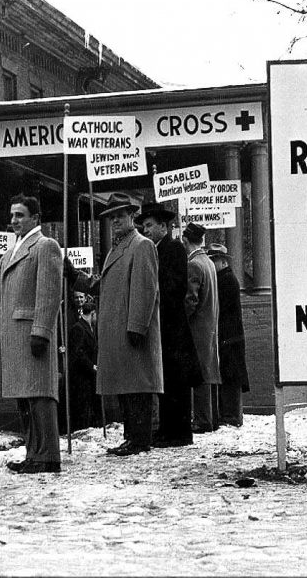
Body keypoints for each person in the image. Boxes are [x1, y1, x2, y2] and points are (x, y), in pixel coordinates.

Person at [0, 194, 63, 474]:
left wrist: (41, 330)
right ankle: (33, 453)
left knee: (40, 395)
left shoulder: (45, 246)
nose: (13, 220)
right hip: (16, 336)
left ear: (35, 218)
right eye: (12, 215)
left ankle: (47, 456)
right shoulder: (13, 251)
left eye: (20, 215)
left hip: (31, 334)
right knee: (26, 397)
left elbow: (49, 293)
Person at [94, 192, 163, 456]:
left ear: (132, 216)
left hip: (131, 329)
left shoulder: (141, 245)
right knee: (126, 385)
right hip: (117, 329)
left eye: (120, 216)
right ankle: (132, 436)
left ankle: (140, 438)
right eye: (112, 217)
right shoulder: (117, 248)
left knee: (137, 387)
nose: (116, 222)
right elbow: (103, 285)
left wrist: (137, 326)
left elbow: (146, 290)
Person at [136, 202, 201, 448]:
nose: (147, 230)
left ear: (164, 226)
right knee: (167, 380)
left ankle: (179, 433)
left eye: (150, 225)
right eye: (144, 226)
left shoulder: (172, 249)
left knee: (176, 382)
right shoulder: (156, 248)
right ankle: (167, 429)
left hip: (173, 326)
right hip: (166, 326)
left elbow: (174, 286)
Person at [182, 223, 221, 434]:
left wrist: (181, 320)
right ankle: (212, 417)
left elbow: (191, 299)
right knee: (210, 371)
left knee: (200, 374)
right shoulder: (208, 263)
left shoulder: (194, 264)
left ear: (185, 240)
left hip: (197, 327)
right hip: (209, 326)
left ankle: (202, 420)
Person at [206, 244, 250, 427]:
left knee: (230, 377)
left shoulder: (226, 281)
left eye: (214, 260)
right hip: (230, 337)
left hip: (229, 337)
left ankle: (231, 416)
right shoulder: (226, 279)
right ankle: (230, 415)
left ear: (223, 261)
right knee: (230, 376)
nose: (212, 264)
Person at [67, 293, 99, 431]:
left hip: (88, 375)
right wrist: (92, 366)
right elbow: (78, 353)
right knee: (83, 407)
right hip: (81, 376)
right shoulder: (79, 328)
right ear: (92, 313)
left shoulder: (87, 327)